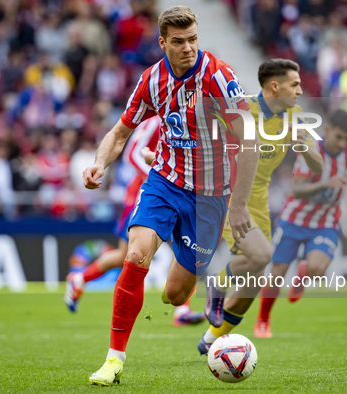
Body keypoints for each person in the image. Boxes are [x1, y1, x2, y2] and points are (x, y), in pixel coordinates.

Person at [81, 6, 259, 385]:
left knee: (176, 294)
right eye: (178, 42)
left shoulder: (217, 75)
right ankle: (113, 360)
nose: (188, 48)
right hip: (165, 180)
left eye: (193, 39)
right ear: (163, 43)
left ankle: (187, 299)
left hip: (211, 197)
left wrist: (240, 202)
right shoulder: (151, 80)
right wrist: (100, 163)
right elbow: (118, 132)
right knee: (135, 254)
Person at [197, 58, 324, 354]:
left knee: (253, 282)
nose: (300, 91)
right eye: (295, 85)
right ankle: (216, 284)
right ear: (274, 86)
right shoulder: (242, 108)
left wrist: (303, 145)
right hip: (229, 194)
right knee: (261, 254)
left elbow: (318, 165)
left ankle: (211, 339)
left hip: (260, 200)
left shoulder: (296, 116)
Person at [65, 115, 205, 326]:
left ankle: (182, 309)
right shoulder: (157, 119)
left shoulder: (186, 120)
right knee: (128, 254)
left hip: (168, 194)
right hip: (147, 194)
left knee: (180, 246)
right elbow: (133, 153)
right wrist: (160, 179)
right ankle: (79, 279)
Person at [255, 109, 347, 337]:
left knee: (318, 268)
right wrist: (326, 183)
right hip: (294, 219)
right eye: (338, 137)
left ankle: (303, 274)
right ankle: (263, 320)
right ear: (326, 130)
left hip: (326, 220)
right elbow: (298, 190)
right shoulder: (310, 151)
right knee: (277, 274)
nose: (342, 143)